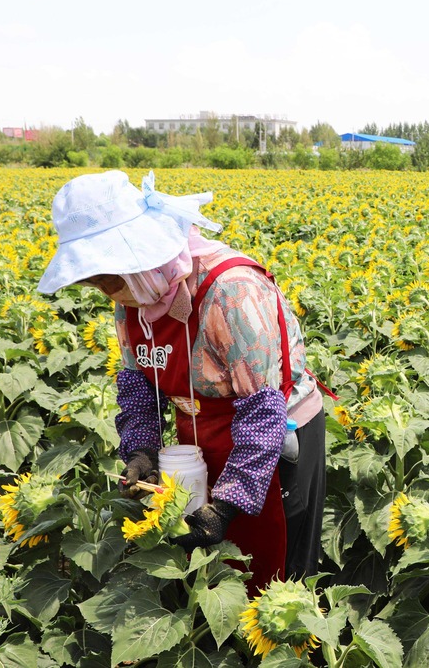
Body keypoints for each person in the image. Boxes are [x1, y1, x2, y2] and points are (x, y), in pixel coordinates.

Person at [37, 170, 326, 594]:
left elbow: (264, 412)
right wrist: (140, 450)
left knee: (276, 579)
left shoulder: (231, 292)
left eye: (109, 280)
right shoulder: (134, 300)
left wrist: (228, 504)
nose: (109, 295)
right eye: (97, 285)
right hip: (202, 436)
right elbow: (140, 386)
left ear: (138, 259)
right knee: (213, 574)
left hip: (278, 439)